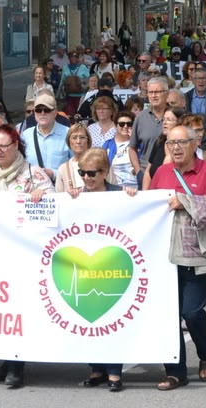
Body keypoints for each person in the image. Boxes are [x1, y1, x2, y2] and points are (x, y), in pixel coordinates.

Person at [0, 124, 53, 388]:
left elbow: (52, 209)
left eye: (4, 146)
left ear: (16, 145)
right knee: (0, 311)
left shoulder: (33, 174)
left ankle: (17, 365)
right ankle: (6, 358)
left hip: (23, 253)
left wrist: (43, 196)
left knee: (19, 309)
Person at [149, 127, 206, 391]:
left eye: (182, 142)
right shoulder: (160, 173)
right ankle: (175, 372)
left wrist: (186, 201)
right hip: (164, 257)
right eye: (171, 143)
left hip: (197, 255)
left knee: (191, 313)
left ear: (194, 143)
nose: (176, 148)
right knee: (170, 316)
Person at [64, 148, 137, 392]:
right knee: (88, 320)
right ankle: (96, 367)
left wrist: (132, 195)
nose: (86, 178)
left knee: (112, 319)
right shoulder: (76, 197)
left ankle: (115, 371)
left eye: (92, 174)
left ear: (105, 172)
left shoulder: (120, 194)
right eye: (82, 173)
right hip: (84, 265)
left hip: (113, 265)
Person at [21, 94, 71, 179]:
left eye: (47, 110)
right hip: (33, 187)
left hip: (60, 188)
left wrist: (53, 174)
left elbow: (76, 164)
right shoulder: (26, 135)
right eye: (38, 110)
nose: (42, 113)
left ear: (55, 112)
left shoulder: (68, 134)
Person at [103, 111, 140, 187]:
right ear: (115, 125)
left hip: (136, 187)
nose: (125, 126)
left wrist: (134, 140)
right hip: (114, 188)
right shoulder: (107, 145)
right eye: (121, 124)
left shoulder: (139, 143)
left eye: (129, 124)